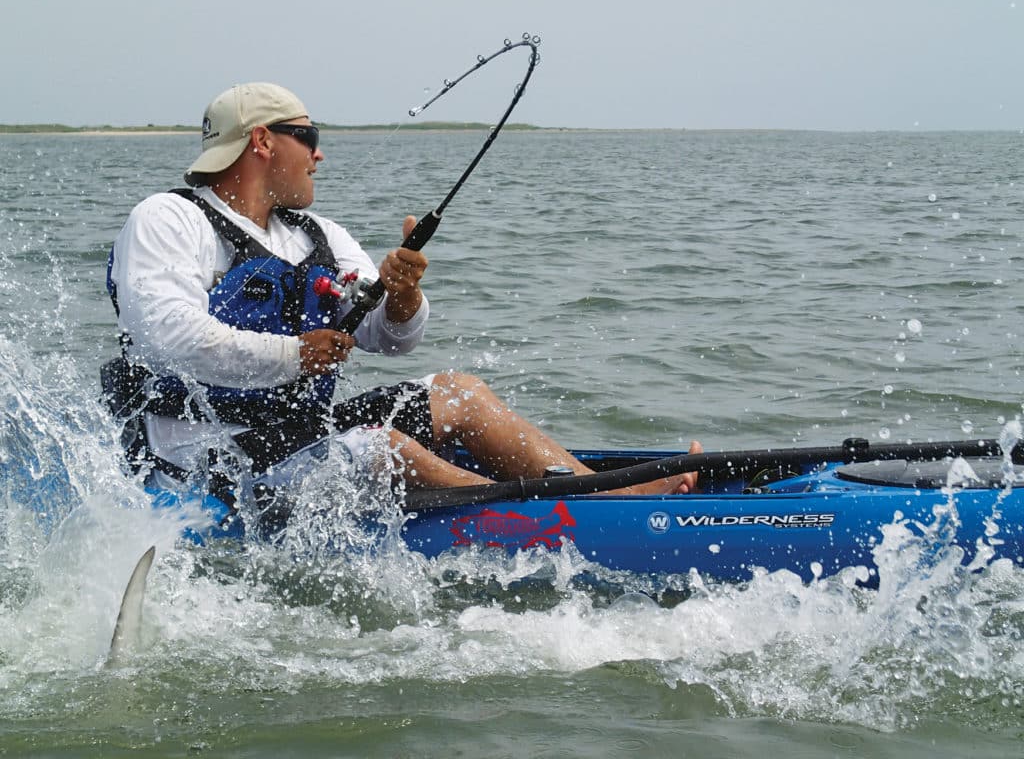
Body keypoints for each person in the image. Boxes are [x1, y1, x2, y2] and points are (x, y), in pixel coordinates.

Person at [103, 82, 700, 518]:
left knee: (460, 392)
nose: (319, 153)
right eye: (308, 136)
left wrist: (403, 298)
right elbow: (170, 338)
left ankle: (609, 496)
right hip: (203, 460)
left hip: (300, 431)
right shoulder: (167, 220)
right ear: (262, 141)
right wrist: (294, 356)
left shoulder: (320, 236)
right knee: (380, 449)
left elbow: (389, 341)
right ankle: (558, 519)